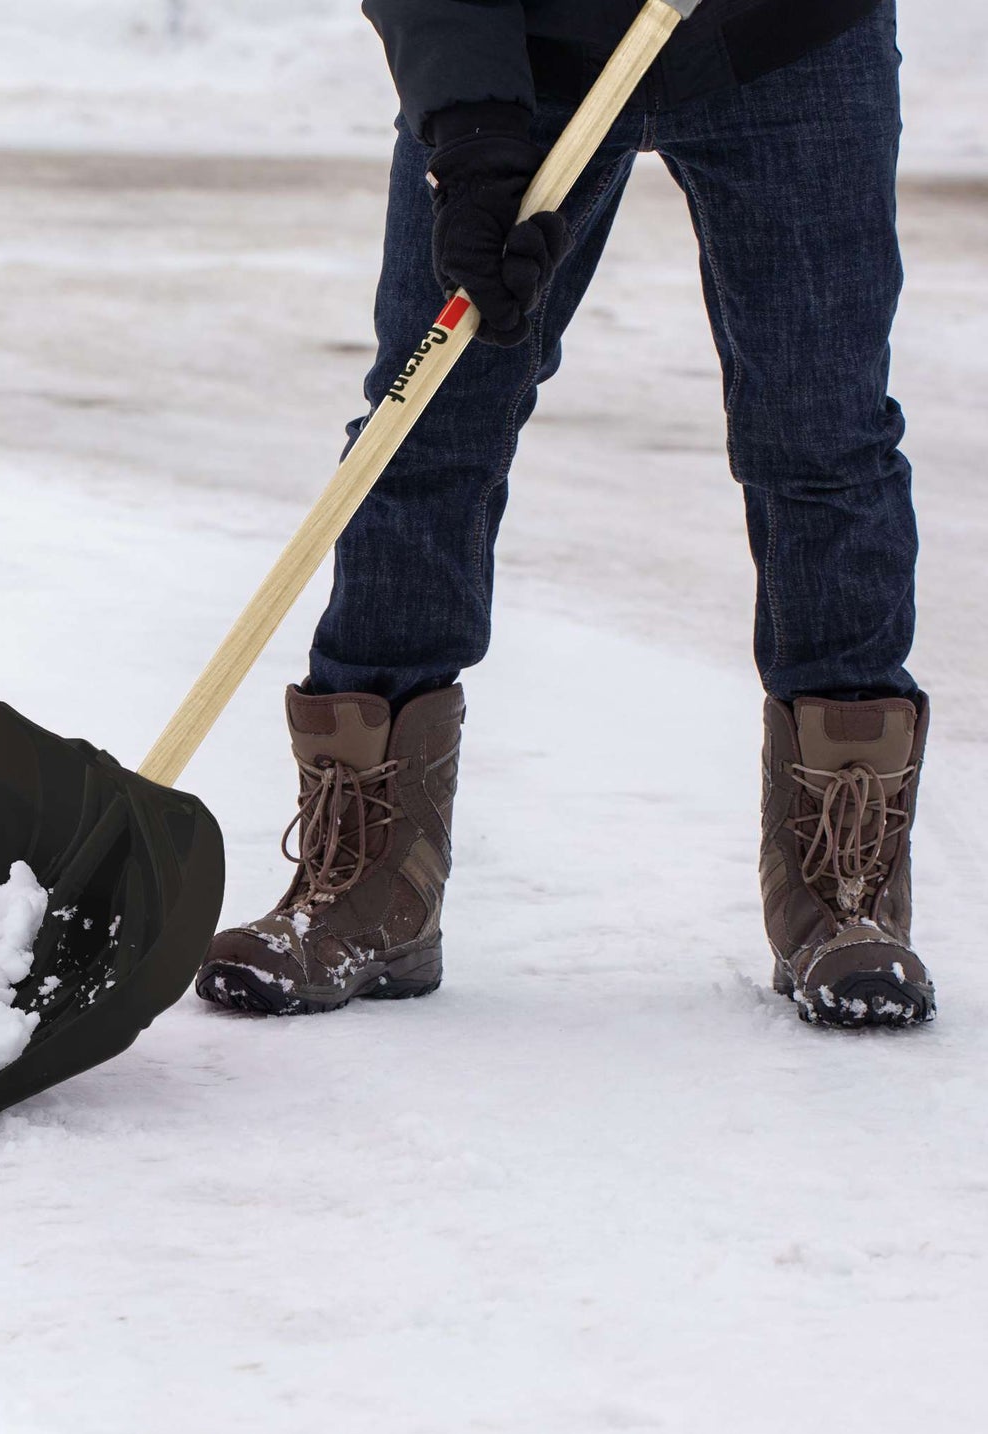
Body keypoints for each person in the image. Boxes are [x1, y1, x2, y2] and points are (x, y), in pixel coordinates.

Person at [194, 0, 934, 1027]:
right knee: (429, 417)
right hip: (529, 45)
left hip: (786, 36)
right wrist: (474, 131)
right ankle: (366, 880)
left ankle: (844, 889)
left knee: (817, 426)